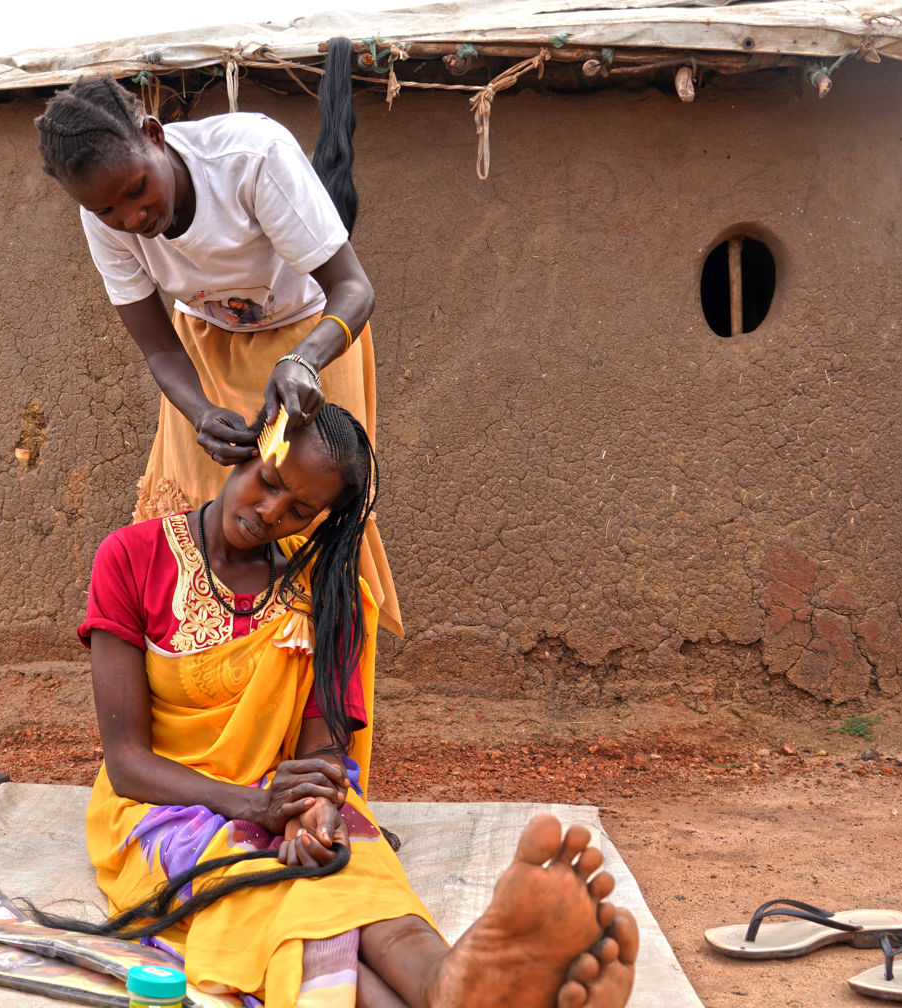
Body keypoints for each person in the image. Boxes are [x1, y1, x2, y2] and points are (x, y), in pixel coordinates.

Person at [68, 404, 635, 1008]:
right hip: (161, 806)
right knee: (273, 885)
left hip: (278, 794)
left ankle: (452, 983)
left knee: (355, 873)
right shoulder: (132, 557)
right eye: (271, 481)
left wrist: (313, 810)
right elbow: (128, 762)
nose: (269, 514)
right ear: (253, 447)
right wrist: (255, 807)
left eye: (300, 511)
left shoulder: (330, 594)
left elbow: (320, 755)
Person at [35, 44, 403, 637]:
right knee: (200, 526)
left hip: (315, 334)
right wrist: (202, 412)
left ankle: (316, 702)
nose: (130, 219)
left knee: (302, 510)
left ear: (154, 136)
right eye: (107, 209)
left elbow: (353, 289)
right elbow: (159, 348)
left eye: (135, 191)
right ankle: (209, 689)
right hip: (207, 348)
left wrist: (303, 363)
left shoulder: (249, 157)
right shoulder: (99, 215)